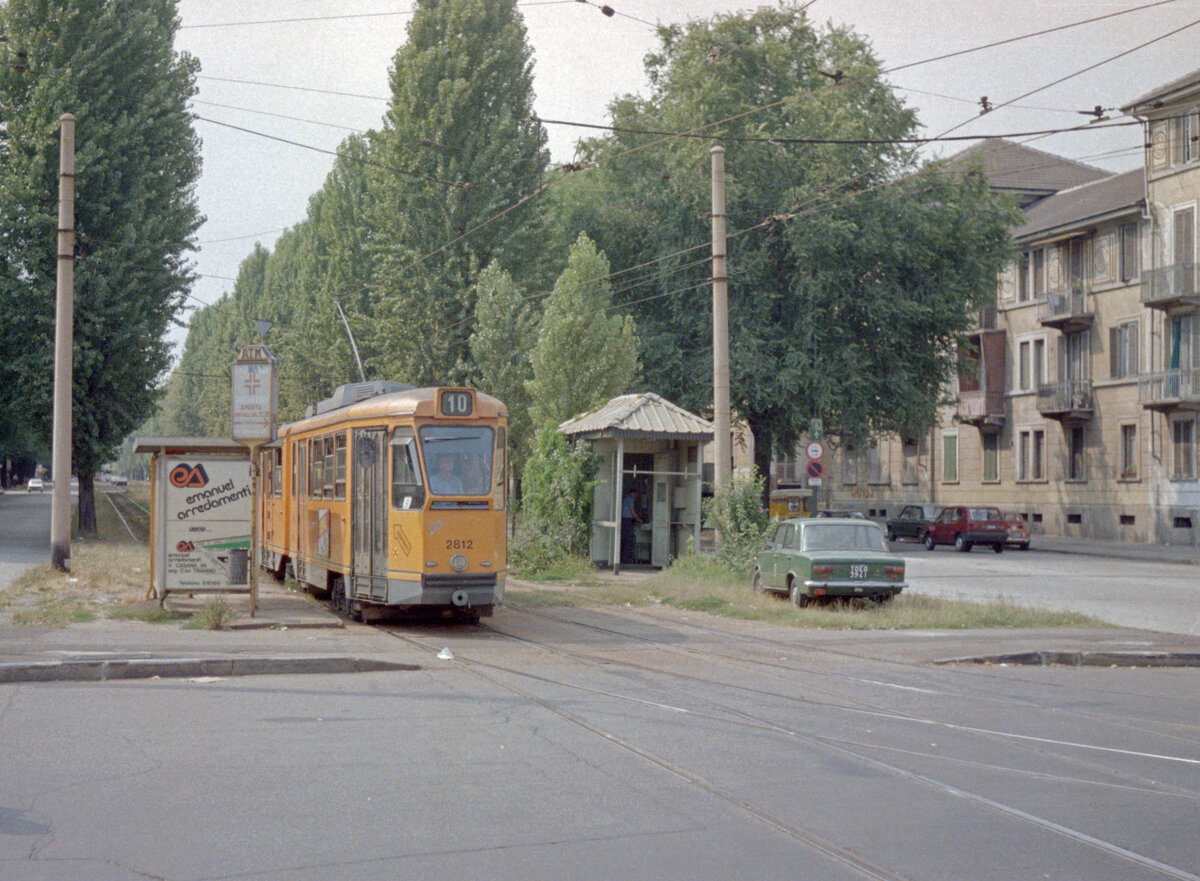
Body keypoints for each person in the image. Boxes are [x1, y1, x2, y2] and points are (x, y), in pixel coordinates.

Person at [620, 488, 642, 564]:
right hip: (628, 520)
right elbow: (632, 510)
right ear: (634, 493)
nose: (637, 496)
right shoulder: (631, 499)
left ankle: (623, 557)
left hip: (624, 520)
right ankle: (627, 558)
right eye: (636, 494)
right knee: (628, 539)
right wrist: (638, 519)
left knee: (624, 539)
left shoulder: (626, 498)